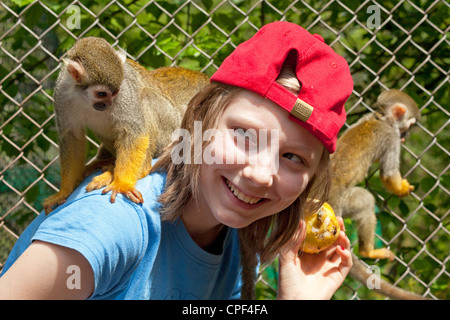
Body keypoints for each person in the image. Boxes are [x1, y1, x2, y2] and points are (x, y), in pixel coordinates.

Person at [0, 21, 353, 300]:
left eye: (292, 157)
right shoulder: (111, 224)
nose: (260, 175)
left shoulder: (228, 235)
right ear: (197, 120)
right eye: (244, 135)